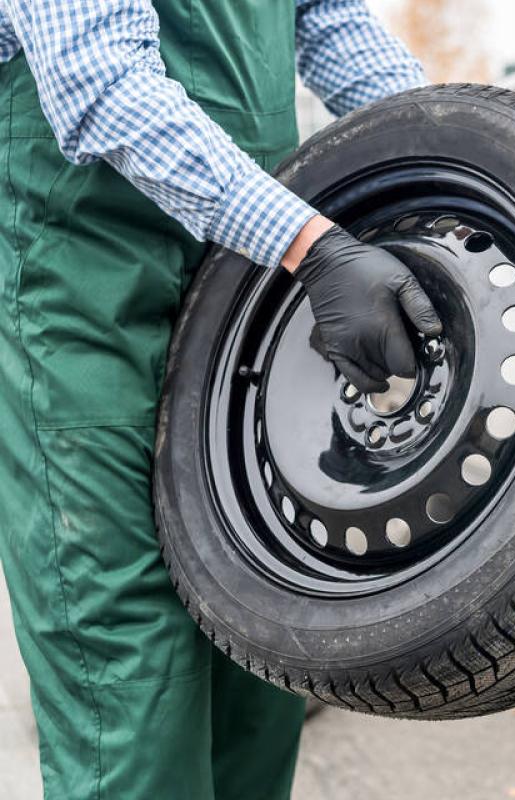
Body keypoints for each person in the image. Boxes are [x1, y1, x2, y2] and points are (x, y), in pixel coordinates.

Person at [0, 1, 441, 797]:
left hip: (249, 275)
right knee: (130, 673)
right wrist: (313, 245)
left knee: (265, 642)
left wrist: (441, 147)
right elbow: (97, 79)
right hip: (86, 282)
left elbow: (329, 15)